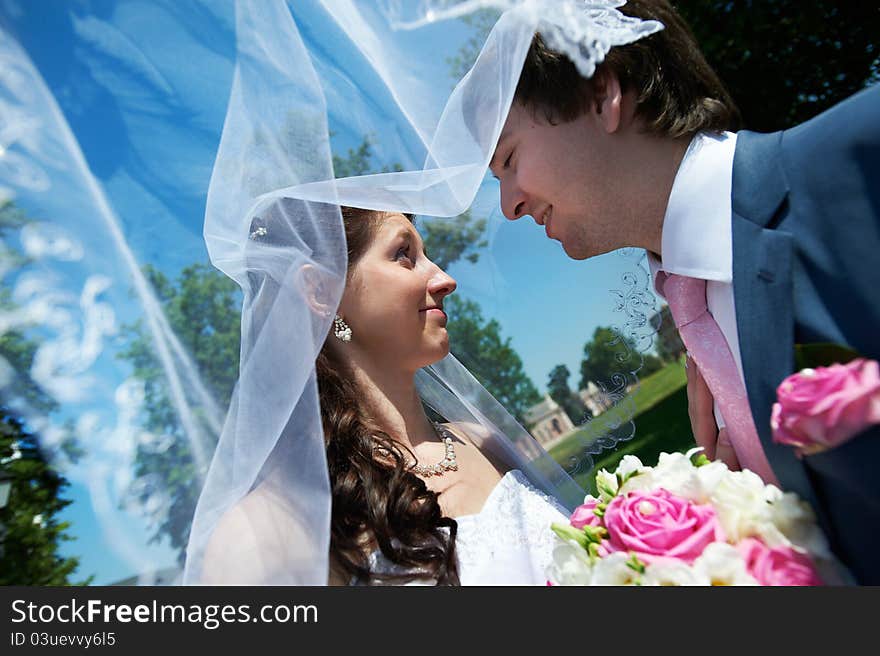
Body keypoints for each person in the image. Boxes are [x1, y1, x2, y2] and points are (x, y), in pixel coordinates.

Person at [486, 0, 880, 583]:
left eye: (511, 159)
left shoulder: (858, 155)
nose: (509, 203)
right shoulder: (688, 309)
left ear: (602, 94)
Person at [188, 204, 571, 585]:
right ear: (320, 290)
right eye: (404, 255)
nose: (444, 279)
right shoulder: (273, 527)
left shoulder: (481, 440)